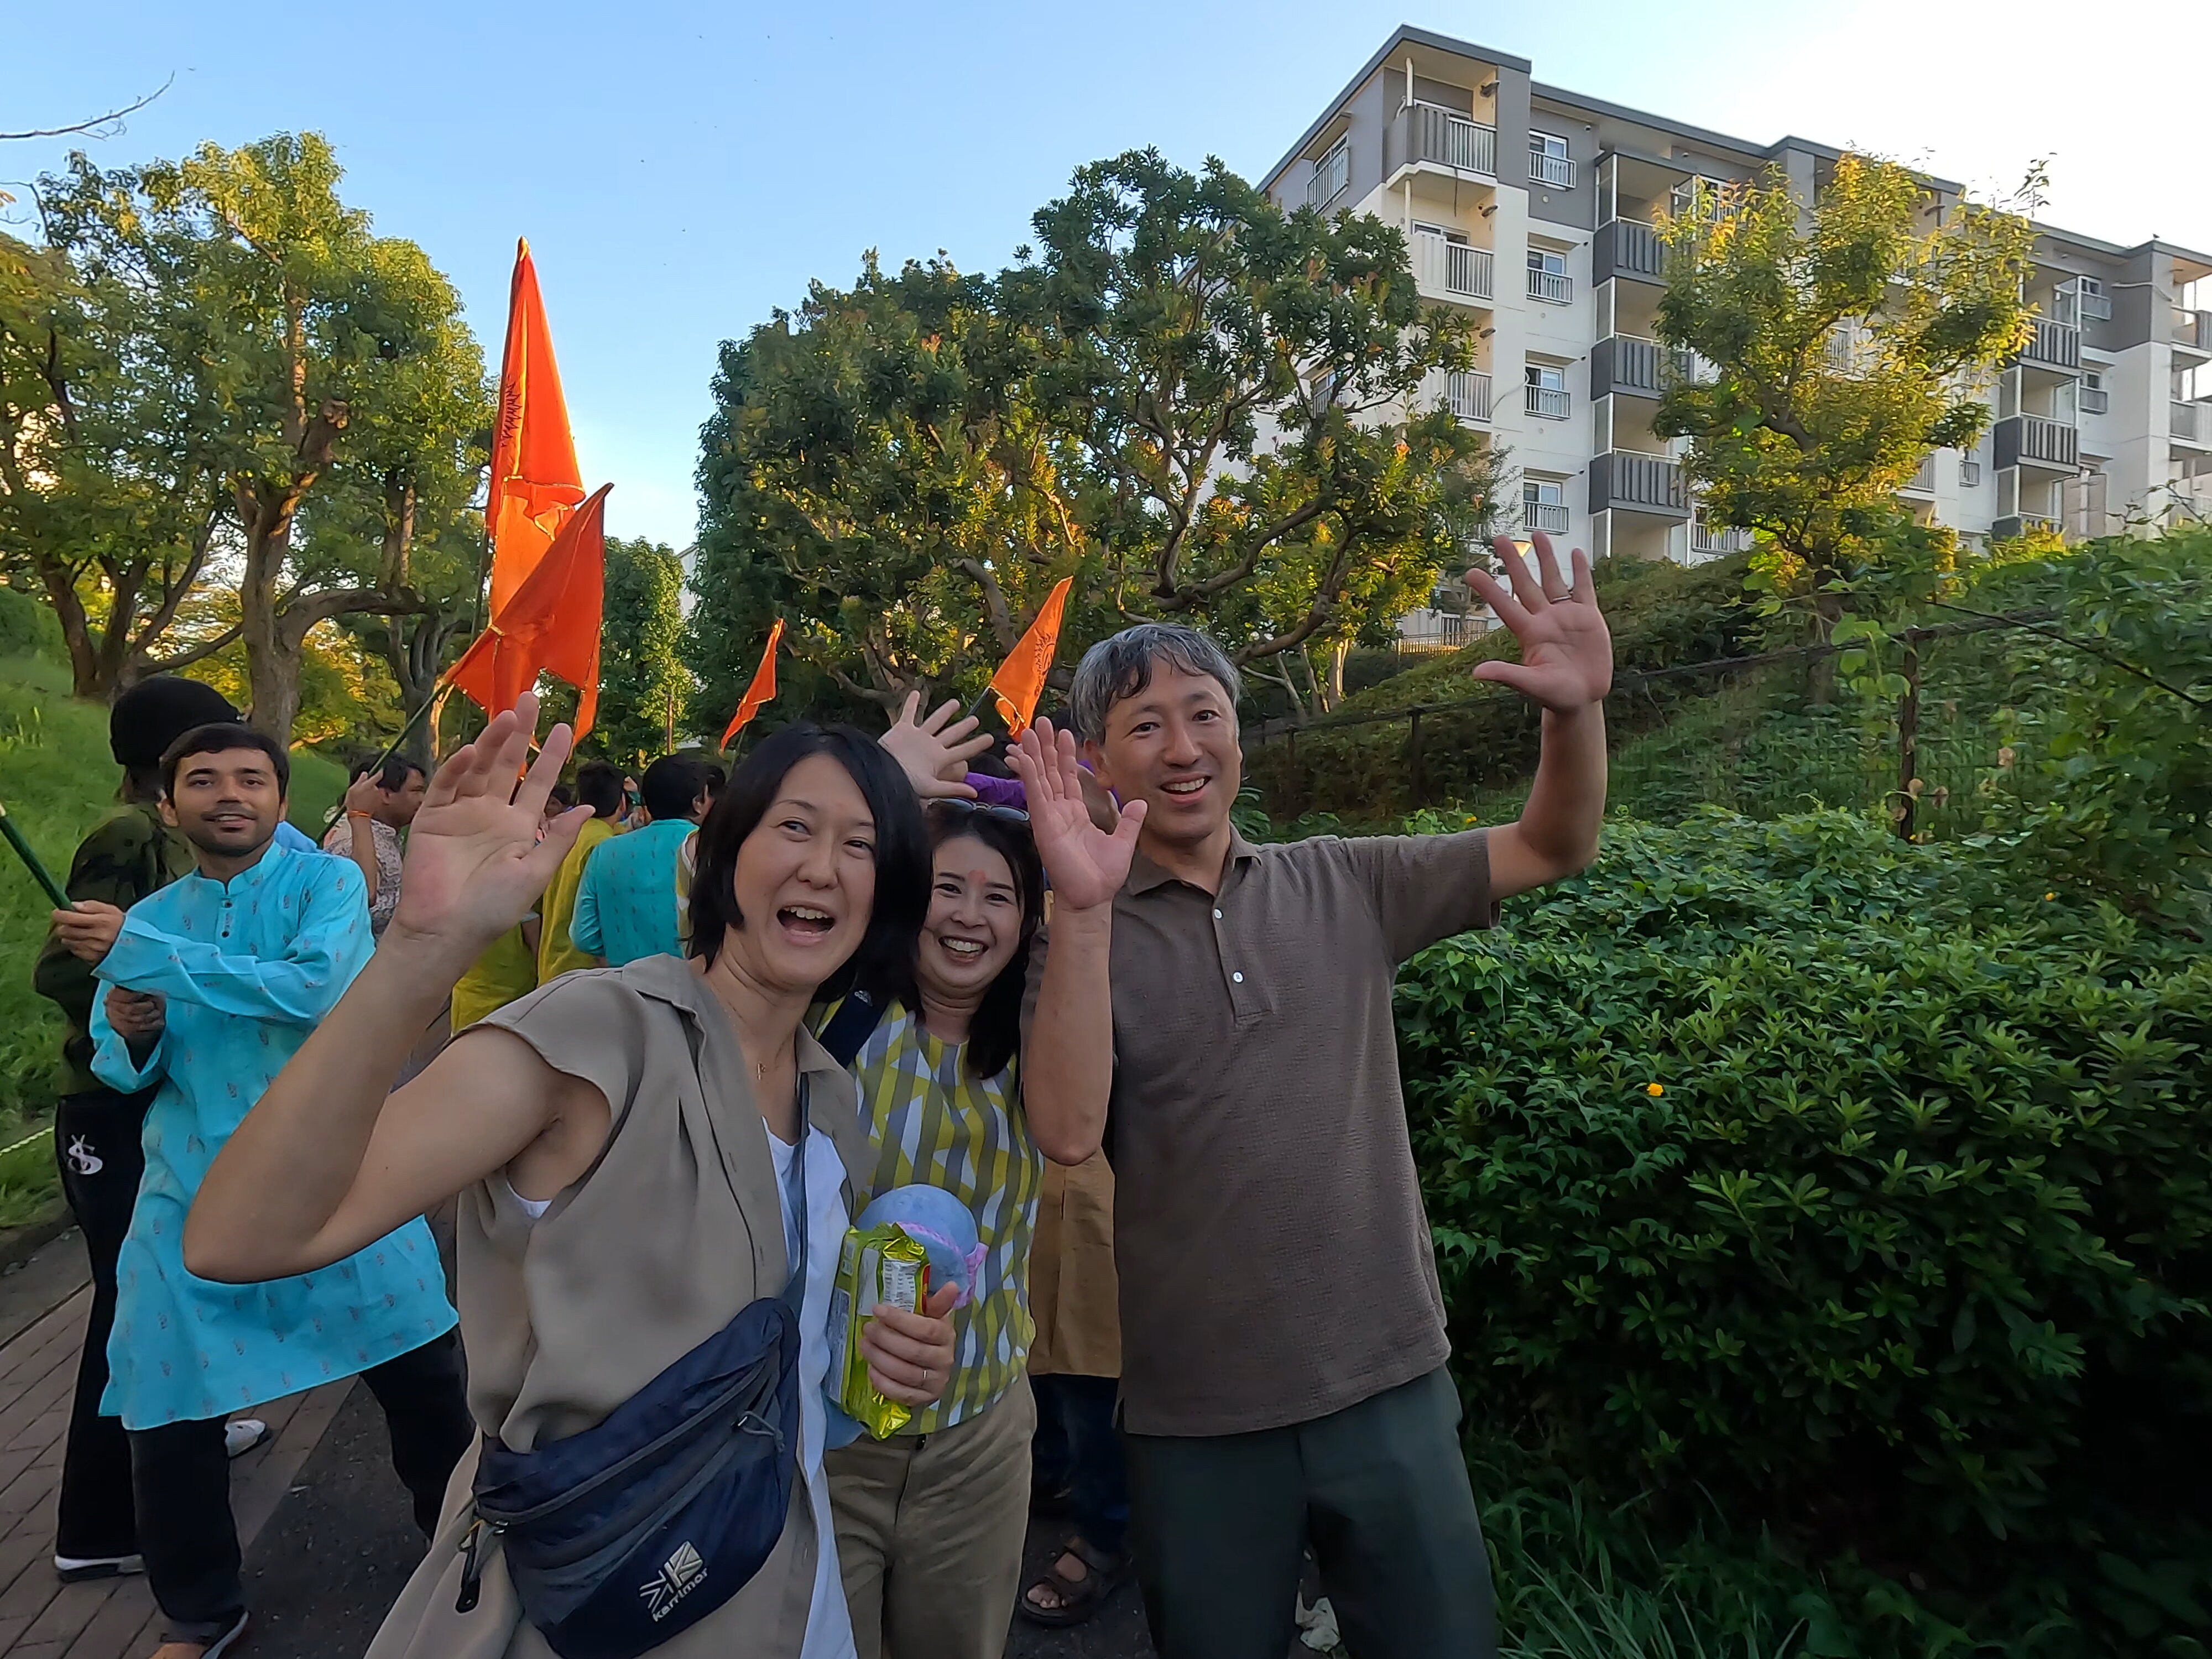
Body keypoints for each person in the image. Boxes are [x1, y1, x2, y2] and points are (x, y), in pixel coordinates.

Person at [181, 697, 962, 1659]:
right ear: (717, 854)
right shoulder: (598, 1035)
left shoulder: (831, 1099)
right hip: (580, 1605)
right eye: (791, 827)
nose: (821, 865)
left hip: (790, 1598)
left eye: (862, 845)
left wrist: (884, 1363)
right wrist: (421, 952)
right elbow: (241, 1235)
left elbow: (791, 1375)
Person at [1018, 533, 1614, 1659]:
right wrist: (1081, 914)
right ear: (1097, 763)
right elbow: (1061, 1131)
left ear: (1240, 735)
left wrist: (1573, 712)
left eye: (1204, 714)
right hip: (1194, 1418)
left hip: (1385, 1379)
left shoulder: (1346, 882)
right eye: (1143, 726)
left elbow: (1553, 843)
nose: (1181, 747)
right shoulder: (1078, 935)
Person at [88, 721, 471, 1659]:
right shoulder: (152, 918)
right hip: (195, 1194)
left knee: (427, 1381)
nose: (230, 794)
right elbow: (122, 1067)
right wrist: (133, 1030)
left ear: (279, 801)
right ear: (167, 804)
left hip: (342, 1175)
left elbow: (309, 991)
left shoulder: (324, 885)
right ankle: (201, 1613)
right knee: (164, 1405)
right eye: (204, 779)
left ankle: (467, 1550)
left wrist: (147, 963)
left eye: (252, 779)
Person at [32, 677, 273, 1590]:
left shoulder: (182, 846)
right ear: (171, 766)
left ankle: (197, 1427)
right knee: (129, 1312)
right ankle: (98, 1524)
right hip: (110, 1107)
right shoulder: (131, 836)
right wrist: (125, 991)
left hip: (158, 1100)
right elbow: (62, 963)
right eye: (212, 760)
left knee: (182, 1290)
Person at [813, 798, 1054, 1659]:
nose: (968, 915)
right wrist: (873, 794)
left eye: (1000, 897)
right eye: (946, 887)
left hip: (978, 1439)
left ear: (1029, 921)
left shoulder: (1045, 1040)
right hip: (824, 1430)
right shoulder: (831, 1019)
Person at [1020, 1151, 1129, 1628]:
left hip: (1107, 1169)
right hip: (1024, 1165)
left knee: (1093, 1358)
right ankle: (1048, 1474)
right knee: (1025, 1339)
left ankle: (1106, 1533)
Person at [571, 753, 713, 966]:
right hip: (695, 988)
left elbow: (583, 937)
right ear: (698, 802)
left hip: (627, 987)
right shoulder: (712, 849)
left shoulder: (606, 851)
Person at [448, 784, 567, 1034]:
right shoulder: (524, 852)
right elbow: (530, 917)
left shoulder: (462, 848)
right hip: (508, 978)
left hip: (473, 978)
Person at [536, 759, 624, 981]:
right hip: (582, 971)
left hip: (551, 964)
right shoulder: (606, 846)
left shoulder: (564, 835)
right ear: (622, 802)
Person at [324, 754, 429, 936]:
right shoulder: (352, 842)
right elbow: (354, 907)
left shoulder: (385, 837)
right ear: (386, 795)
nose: (423, 799)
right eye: (416, 791)